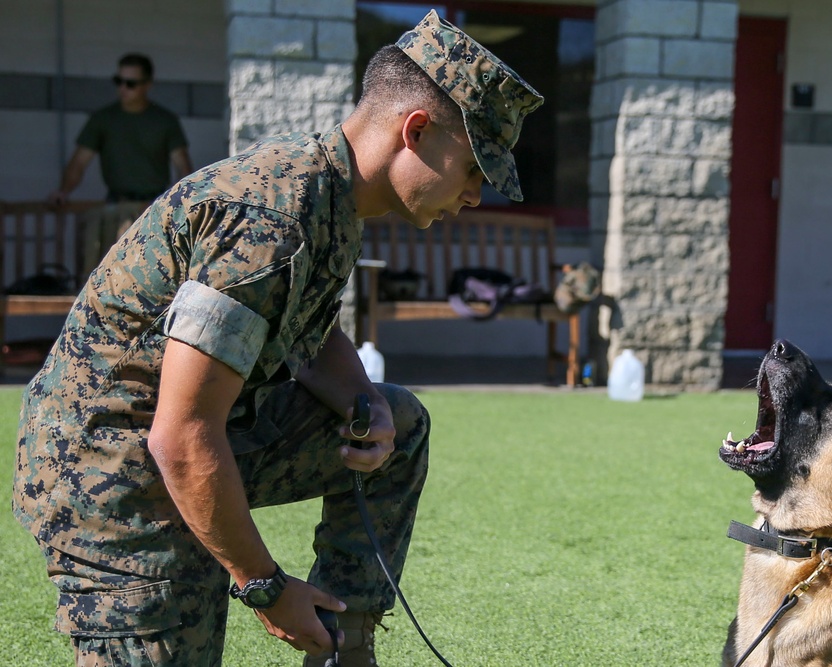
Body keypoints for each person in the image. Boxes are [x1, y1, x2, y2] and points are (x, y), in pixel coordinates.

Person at [13, 10, 542, 667]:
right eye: (473, 170)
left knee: (398, 420)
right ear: (416, 131)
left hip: (192, 436)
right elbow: (179, 435)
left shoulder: (338, 200)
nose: (474, 197)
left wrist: (366, 405)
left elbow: (311, 335)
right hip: (106, 471)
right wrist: (266, 586)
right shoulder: (270, 219)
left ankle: (344, 647)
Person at [49, 53, 194, 271]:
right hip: (115, 207)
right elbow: (79, 162)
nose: (123, 88)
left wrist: (182, 204)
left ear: (147, 85)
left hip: (153, 208)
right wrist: (63, 191)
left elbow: (182, 167)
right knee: (108, 271)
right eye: (119, 81)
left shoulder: (165, 121)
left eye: (131, 83)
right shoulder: (103, 119)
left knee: (150, 272)